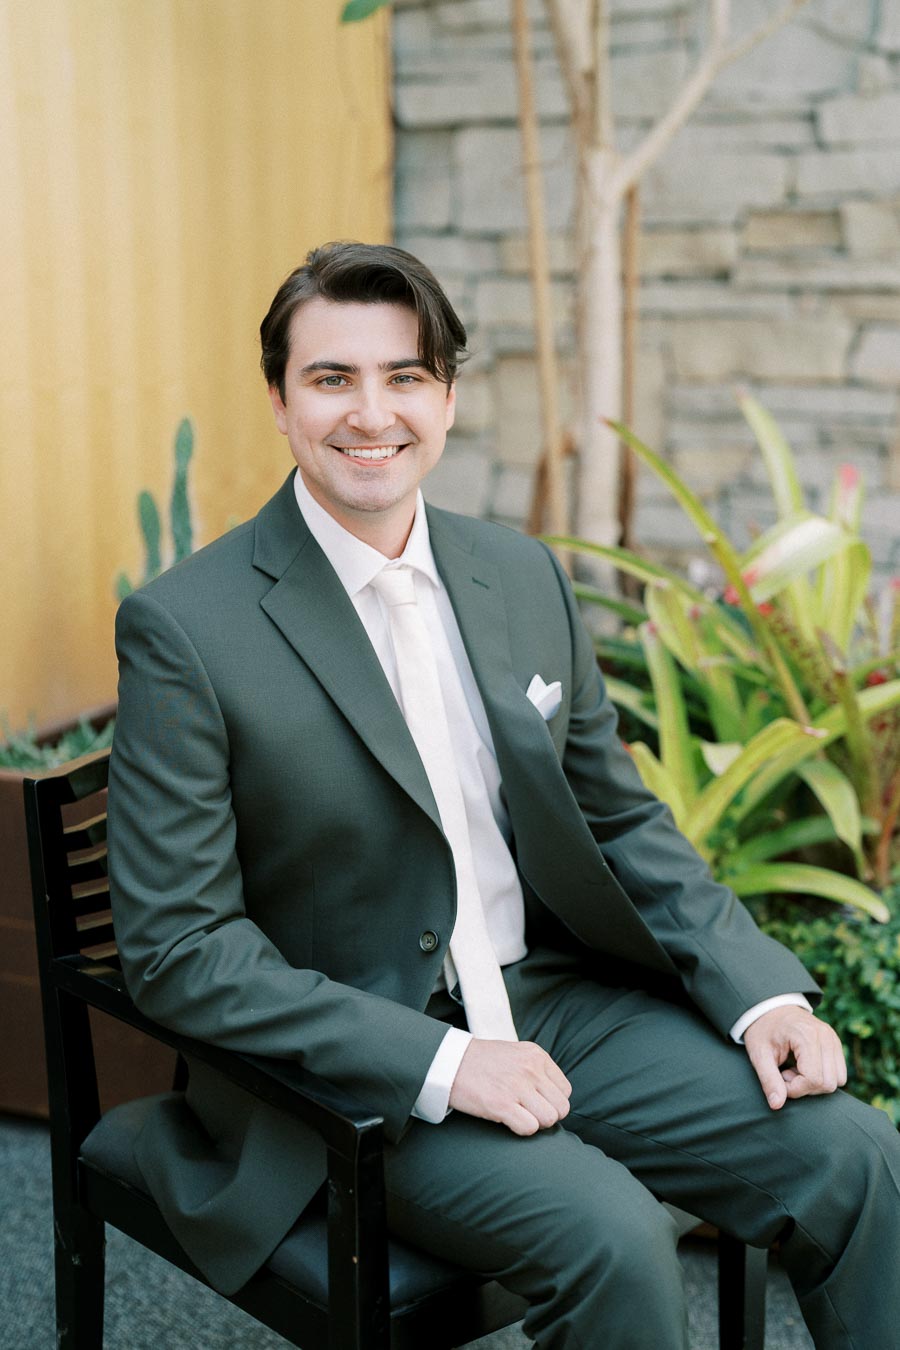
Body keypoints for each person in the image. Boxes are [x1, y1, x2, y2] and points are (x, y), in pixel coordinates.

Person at [109, 241, 900, 1349]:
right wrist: (442, 1062)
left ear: (447, 398)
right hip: (358, 1061)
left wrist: (761, 994)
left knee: (859, 1158)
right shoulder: (188, 629)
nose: (371, 413)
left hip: (554, 1000)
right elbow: (180, 948)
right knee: (617, 1241)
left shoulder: (521, 575)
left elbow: (619, 819)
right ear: (280, 403)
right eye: (331, 378)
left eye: (405, 376)